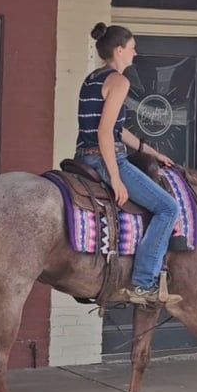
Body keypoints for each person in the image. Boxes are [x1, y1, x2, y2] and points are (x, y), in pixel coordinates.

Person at [76, 22, 182, 307]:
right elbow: (105, 132)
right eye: (133, 48)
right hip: (104, 158)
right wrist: (116, 177)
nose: (135, 54)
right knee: (168, 207)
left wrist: (152, 152)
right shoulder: (120, 81)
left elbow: (117, 129)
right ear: (119, 49)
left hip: (83, 156)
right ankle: (143, 284)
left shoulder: (93, 78)